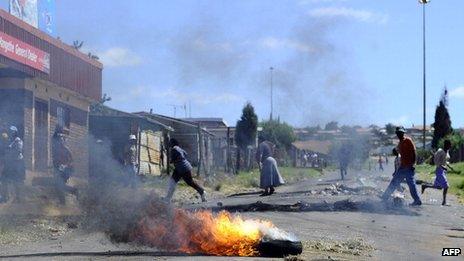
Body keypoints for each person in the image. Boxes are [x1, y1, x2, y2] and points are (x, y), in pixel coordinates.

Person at [382, 127, 422, 206]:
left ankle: (417, 200)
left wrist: (414, 164)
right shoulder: (400, 144)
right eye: (399, 133)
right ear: (397, 134)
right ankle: (384, 198)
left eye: (401, 133)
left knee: (411, 184)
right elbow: (398, 154)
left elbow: (414, 153)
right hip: (402, 167)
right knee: (394, 182)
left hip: (409, 166)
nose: (400, 134)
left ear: (403, 133)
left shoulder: (408, 140)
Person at [421, 140, 455, 206]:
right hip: (439, 171)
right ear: (446, 145)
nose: (450, 146)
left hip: (443, 171)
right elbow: (436, 161)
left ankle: (425, 185)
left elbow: (444, 162)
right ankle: (444, 202)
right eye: (449, 145)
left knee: (438, 187)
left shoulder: (446, 152)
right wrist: (442, 167)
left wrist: (449, 167)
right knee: (446, 186)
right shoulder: (440, 151)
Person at [52, 127, 78, 205]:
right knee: (58, 186)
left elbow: (71, 161)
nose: (58, 142)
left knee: (60, 185)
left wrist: (64, 166)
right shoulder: (56, 150)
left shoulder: (65, 150)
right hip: (60, 170)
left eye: (60, 141)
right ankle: (63, 203)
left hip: (67, 170)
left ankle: (75, 191)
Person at [0, 126, 25, 203]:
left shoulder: (18, 141)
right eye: (9, 131)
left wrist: (8, 152)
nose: (10, 133)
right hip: (9, 163)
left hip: (17, 164)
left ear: (15, 132)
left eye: (12, 132)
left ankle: (18, 198)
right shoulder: (9, 141)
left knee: (16, 181)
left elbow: (17, 152)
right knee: (4, 179)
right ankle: (5, 197)